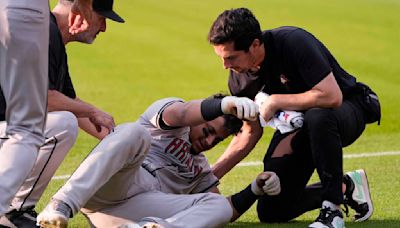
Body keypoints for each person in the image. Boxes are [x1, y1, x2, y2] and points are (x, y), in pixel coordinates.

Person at [207, 8, 380, 228]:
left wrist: (277, 101)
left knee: (318, 117)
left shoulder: (292, 42)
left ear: (255, 45)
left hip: (348, 110)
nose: (225, 65)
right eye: (221, 58)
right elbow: (250, 131)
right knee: (272, 210)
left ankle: (332, 212)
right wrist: (210, 177)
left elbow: (332, 96)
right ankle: (347, 187)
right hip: (300, 127)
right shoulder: (239, 80)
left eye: (231, 57)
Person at [37, 95, 280, 228]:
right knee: (134, 132)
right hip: (111, 185)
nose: (209, 141)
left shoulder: (200, 170)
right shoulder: (172, 120)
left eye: (217, 140)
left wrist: (255, 189)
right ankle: (62, 205)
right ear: (201, 118)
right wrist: (224, 104)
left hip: (129, 213)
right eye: (208, 131)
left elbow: (224, 212)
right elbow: (184, 112)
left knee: (215, 203)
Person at [0, 0, 123, 227]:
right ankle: (14, 213)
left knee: (64, 119)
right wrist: (93, 110)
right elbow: (43, 98)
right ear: (80, 11)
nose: (104, 27)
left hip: (5, 129)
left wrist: (117, 139)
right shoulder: (41, 31)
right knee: (62, 125)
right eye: (102, 17)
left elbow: (68, 102)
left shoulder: (50, 34)